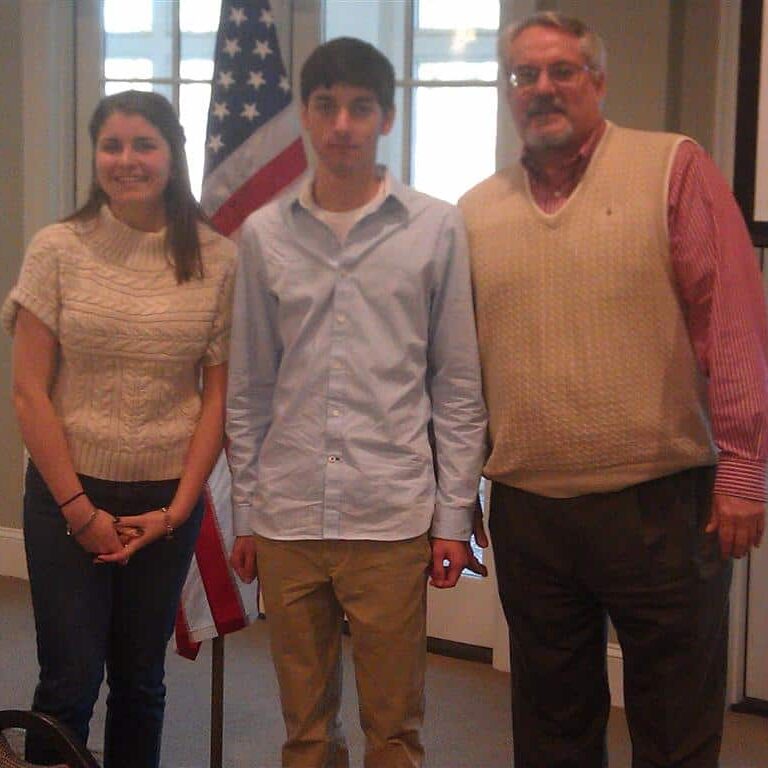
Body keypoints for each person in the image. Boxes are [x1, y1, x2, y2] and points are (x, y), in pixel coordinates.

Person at [459, 12, 768, 768]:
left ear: (597, 79)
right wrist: (456, 483)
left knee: (674, 725)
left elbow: (730, 321)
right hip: (531, 511)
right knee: (550, 725)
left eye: (561, 70)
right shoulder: (475, 211)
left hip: (663, 508)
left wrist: (746, 468)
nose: (542, 88)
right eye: (523, 75)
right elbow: (460, 368)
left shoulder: (673, 168)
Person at [227, 37, 487, 768]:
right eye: (326, 106)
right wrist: (246, 511)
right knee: (304, 733)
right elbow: (248, 390)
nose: (342, 124)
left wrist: (453, 518)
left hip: (391, 514)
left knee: (394, 732)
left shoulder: (436, 227)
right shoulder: (263, 236)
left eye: (360, 108)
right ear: (306, 119)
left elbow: (458, 386)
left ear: (387, 119)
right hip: (287, 516)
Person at [3, 90, 236, 767]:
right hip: (65, 496)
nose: (127, 160)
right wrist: (80, 510)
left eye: (144, 145)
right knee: (69, 682)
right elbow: (27, 393)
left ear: (173, 156)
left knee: (141, 682)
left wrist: (176, 511)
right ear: (95, 154)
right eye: (113, 145)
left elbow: (216, 398)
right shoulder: (57, 249)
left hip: (166, 503)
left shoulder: (218, 259)